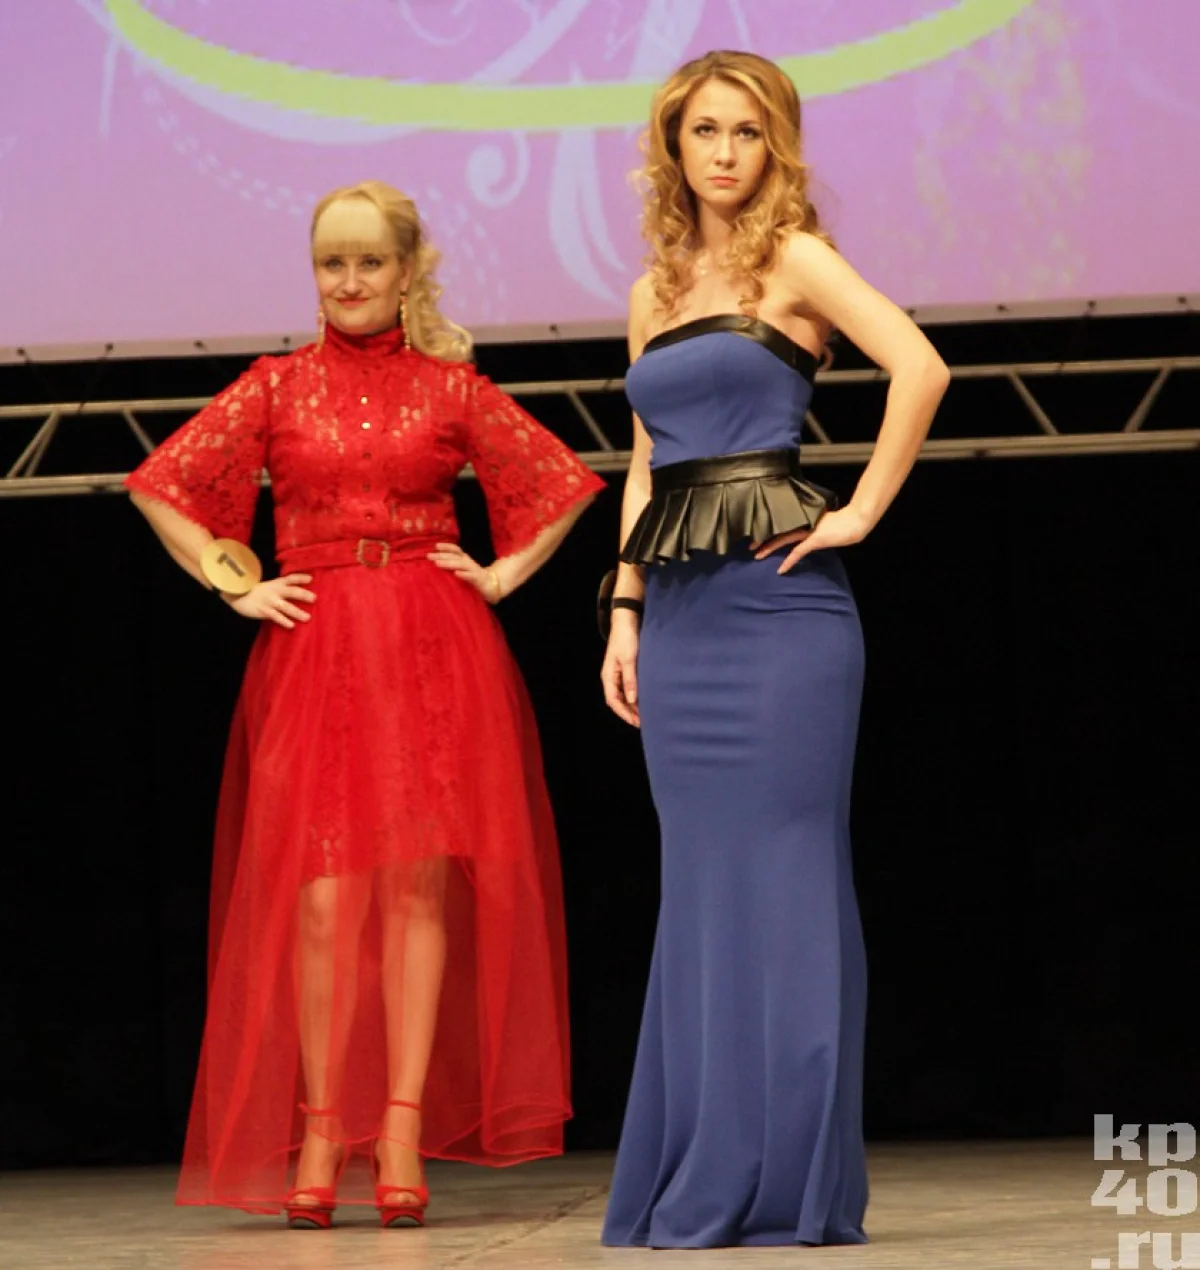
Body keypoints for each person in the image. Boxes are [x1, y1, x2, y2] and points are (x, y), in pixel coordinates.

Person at [127, 180, 604, 1229]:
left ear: (406, 270)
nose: (349, 282)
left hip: (432, 645)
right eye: (331, 262)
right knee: (323, 900)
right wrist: (231, 581)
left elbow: (560, 480)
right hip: (317, 649)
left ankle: (397, 1132)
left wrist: (502, 573)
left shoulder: (450, 387)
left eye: (369, 262)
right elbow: (162, 483)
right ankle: (320, 1131)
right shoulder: (276, 385)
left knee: (418, 893)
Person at [599, 51, 949, 1249]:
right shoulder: (651, 290)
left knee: (790, 879)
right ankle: (707, 1163)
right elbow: (645, 462)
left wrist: (858, 511)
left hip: (784, 611)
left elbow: (921, 365)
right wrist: (624, 608)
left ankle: (793, 1179)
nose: (725, 152)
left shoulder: (793, 260)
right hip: (682, 618)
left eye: (747, 131)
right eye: (705, 130)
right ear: (674, 144)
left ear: (776, 145)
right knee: (701, 889)